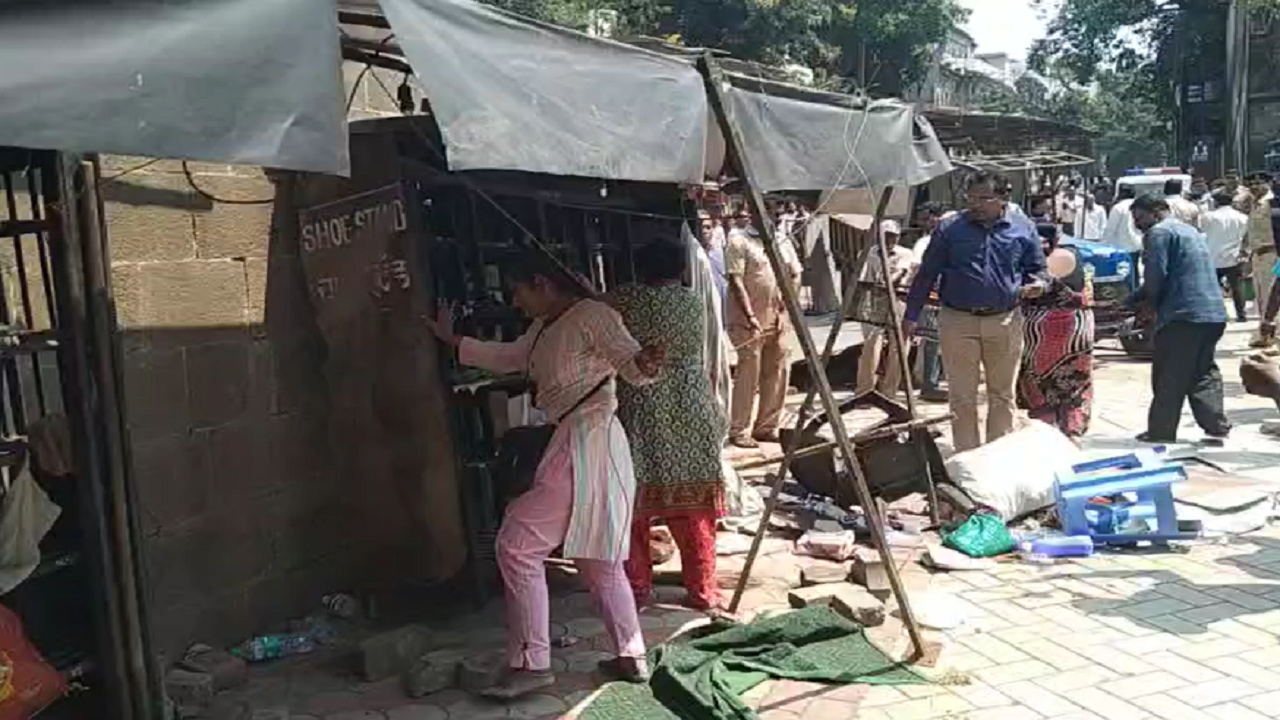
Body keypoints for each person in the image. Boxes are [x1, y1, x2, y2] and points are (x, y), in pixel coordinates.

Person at [426, 253, 664, 697]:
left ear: (542, 283)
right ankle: (632, 656)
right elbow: (510, 356)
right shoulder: (543, 328)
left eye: (519, 290)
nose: (515, 301)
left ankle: (531, 664)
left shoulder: (594, 315)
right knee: (599, 562)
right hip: (583, 441)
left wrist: (647, 364)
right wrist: (455, 341)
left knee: (517, 546)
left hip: (588, 440)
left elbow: (633, 367)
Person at [613, 238, 726, 613]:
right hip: (692, 400)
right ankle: (703, 589)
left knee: (636, 499)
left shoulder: (627, 299)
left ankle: (637, 586)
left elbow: (590, 305)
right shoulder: (693, 300)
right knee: (694, 503)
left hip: (644, 403)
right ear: (680, 270)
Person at [905, 170, 1048, 452]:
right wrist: (910, 315)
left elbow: (1038, 269)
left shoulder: (1022, 228)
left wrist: (1040, 284)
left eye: (984, 198)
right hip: (958, 321)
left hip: (1004, 320)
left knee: (1002, 394)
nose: (975, 204)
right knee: (962, 396)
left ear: (1003, 199)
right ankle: (968, 457)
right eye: (971, 197)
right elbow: (926, 274)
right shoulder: (949, 229)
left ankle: (997, 457)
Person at [1128, 195, 1231, 444]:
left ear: (1157, 212)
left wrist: (1141, 305)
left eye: (1140, 218)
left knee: (1169, 372)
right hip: (1213, 313)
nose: (1137, 224)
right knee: (1203, 370)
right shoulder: (1190, 231)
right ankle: (1216, 424)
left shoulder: (1158, 233)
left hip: (1183, 314)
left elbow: (1156, 276)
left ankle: (1161, 431)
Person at [725, 211, 802, 448]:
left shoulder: (782, 240)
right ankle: (739, 430)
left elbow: (795, 272)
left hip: (778, 316)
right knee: (749, 372)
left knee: (778, 369)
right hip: (747, 319)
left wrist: (787, 306)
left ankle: (766, 426)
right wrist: (749, 315)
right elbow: (735, 280)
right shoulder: (738, 240)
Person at [1018, 223, 1095, 438]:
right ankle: (1072, 427)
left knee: (1038, 380)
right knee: (1075, 382)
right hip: (1076, 329)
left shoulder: (1033, 260)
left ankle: (1045, 428)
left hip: (1041, 331)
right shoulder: (1072, 255)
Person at [857, 219, 913, 397]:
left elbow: (900, 273)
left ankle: (890, 391)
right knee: (872, 343)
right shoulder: (869, 253)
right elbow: (862, 277)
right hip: (876, 300)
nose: (891, 240)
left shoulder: (905, 254)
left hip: (899, 300)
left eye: (894, 236)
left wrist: (888, 280)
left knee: (900, 345)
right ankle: (864, 389)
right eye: (887, 236)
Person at [912, 203, 948, 402]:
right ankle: (930, 384)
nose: (926, 223)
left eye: (929, 218)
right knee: (932, 342)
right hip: (933, 299)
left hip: (951, 298)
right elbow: (917, 269)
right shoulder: (924, 242)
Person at [1201, 189, 1251, 322]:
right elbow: (1246, 237)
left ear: (1216, 202)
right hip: (1234, 257)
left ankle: (1219, 314)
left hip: (1213, 257)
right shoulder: (1243, 217)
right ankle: (1241, 315)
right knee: (1237, 287)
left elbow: (1202, 230)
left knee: (1214, 288)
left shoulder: (1208, 217)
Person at [1247, 173, 1278, 348]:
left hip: (1272, 255)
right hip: (1258, 255)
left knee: (1271, 295)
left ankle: (1272, 335)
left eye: (1259, 183)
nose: (1255, 186)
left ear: (1268, 184)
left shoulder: (1272, 203)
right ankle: (1264, 333)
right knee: (1260, 296)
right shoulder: (1254, 203)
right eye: (1251, 183)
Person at [1102, 185, 1143, 285]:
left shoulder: (1118, 208)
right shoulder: (1140, 207)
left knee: (1123, 275)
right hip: (1137, 246)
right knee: (1135, 272)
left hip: (1121, 248)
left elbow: (1111, 229)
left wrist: (1104, 246)